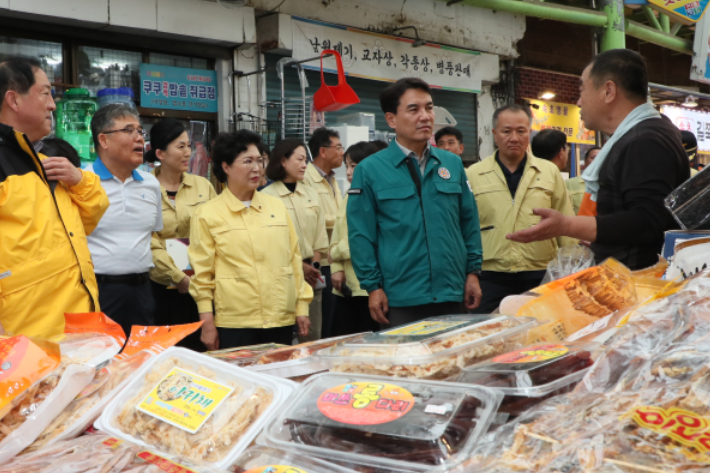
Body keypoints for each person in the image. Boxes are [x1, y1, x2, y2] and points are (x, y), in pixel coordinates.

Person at [507, 49, 690, 270]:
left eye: (582, 89)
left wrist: (567, 224)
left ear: (608, 91)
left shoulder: (645, 141)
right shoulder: (647, 132)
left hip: (637, 284)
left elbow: (647, 222)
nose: (579, 101)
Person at [348, 78, 483, 328]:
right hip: (400, 297)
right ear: (391, 119)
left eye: (429, 108)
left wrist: (473, 273)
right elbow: (361, 234)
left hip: (452, 291)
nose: (425, 116)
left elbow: (469, 222)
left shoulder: (452, 164)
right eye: (414, 109)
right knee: (406, 365)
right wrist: (373, 286)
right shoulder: (369, 170)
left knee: (455, 362)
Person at [0, 56, 108, 338]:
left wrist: (79, 180)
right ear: (14, 100)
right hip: (25, 340)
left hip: (79, 327)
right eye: (46, 93)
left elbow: (87, 221)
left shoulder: (50, 157)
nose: (53, 104)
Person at [189, 130, 312, 350]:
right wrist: (207, 323)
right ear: (226, 167)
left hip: (280, 319)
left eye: (259, 161)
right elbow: (203, 276)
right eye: (247, 162)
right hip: (236, 323)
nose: (257, 168)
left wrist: (301, 307)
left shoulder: (276, 206)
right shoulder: (207, 214)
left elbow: (293, 260)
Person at [467, 104, 576, 314]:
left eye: (521, 131)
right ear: (494, 134)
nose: (514, 138)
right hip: (490, 275)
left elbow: (565, 221)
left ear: (529, 133)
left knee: (541, 333)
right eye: (506, 131)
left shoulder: (549, 172)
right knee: (489, 335)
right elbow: (465, 227)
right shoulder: (474, 174)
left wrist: (569, 270)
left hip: (541, 273)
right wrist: (469, 273)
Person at [86, 104, 163, 338]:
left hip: (143, 290)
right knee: (102, 362)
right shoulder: (84, 182)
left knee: (141, 359)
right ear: (104, 140)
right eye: (129, 130)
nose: (139, 138)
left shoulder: (151, 184)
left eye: (140, 131)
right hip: (99, 291)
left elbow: (151, 235)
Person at [146, 118, 216, 351]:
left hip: (200, 283)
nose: (188, 153)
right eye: (180, 147)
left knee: (201, 349)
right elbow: (148, 241)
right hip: (160, 287)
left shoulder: (202, 186)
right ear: (160, 153)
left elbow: (215, 230)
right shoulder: (145, 189)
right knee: (167, 351)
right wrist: (178, 277)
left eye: (189, 145)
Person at [262, 139, 329, 342]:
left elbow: (319, 236)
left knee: (312, 337)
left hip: (311, 277)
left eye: (306, 160)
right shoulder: (266, 197)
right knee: (281, 341)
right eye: (300, 159)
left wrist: (313, 265)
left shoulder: (311, 193)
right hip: (281, 276)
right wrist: (298, 267)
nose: (304, 165)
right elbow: (268, 243)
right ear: (283, 161)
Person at [330, 141, 381, 335]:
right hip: (345, 286)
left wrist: (337, 253)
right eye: (347, 166)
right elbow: (336, 233)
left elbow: (369, 239)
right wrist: (336, 268)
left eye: (354, 166)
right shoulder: (349, 195)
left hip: (368, 285)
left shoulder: (377, 195)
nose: (349, 172)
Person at [305, 127, 344, 338]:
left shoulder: (332, 178)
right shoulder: (307, 178)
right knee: (319, 324)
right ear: (323, 151)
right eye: (338, 147)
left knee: (332, 320)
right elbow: (313, 217)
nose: (342, 152)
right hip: (318, 262)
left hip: (334, 259)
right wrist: (341, 219)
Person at [566, 146, 600, 214]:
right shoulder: (569, 184)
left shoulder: (612, 184)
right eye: (593, 158)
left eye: (601, 158)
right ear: (585, 161)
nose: (597, 161)